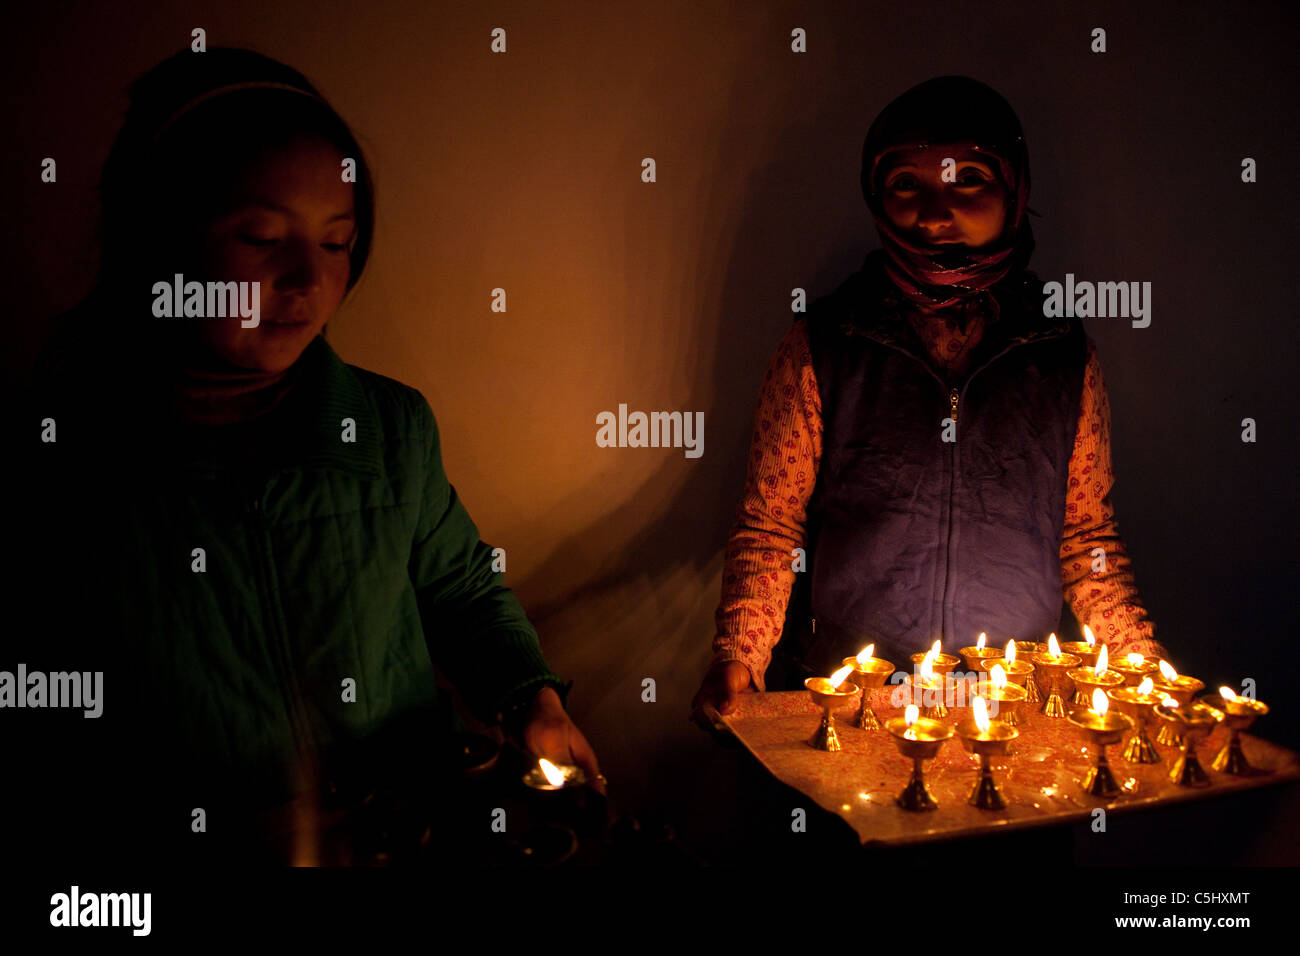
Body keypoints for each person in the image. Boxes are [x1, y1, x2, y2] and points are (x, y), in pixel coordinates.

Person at [10, 47, 602, 863]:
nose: (307, 280)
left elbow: (462, 591)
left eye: (336, 242)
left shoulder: (391, 429)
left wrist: (528, 696)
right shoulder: (65, 469)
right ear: (157, 239)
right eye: (260, 237)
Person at [692, 75, 1170, 722]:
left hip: (1013, 709)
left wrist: (1146, 671)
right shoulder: (826, 342)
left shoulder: (1059, 354)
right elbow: (772, 527)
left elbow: (1087, 539)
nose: (936, 212)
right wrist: (738, 659)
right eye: (906, 185)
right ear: (876, 198)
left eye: (968, 178)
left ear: (1014, 189)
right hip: (851, 703)